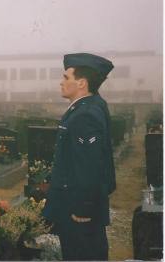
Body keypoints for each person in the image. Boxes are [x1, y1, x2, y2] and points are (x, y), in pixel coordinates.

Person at [42, 53, 116, 261]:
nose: (61, 82)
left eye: (66, 77)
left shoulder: (85, 115)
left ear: (81, 83)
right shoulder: (89, 106)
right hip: (79, 204)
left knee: (82, 254)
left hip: (79, 211)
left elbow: (89, 165)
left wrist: (83, 208)